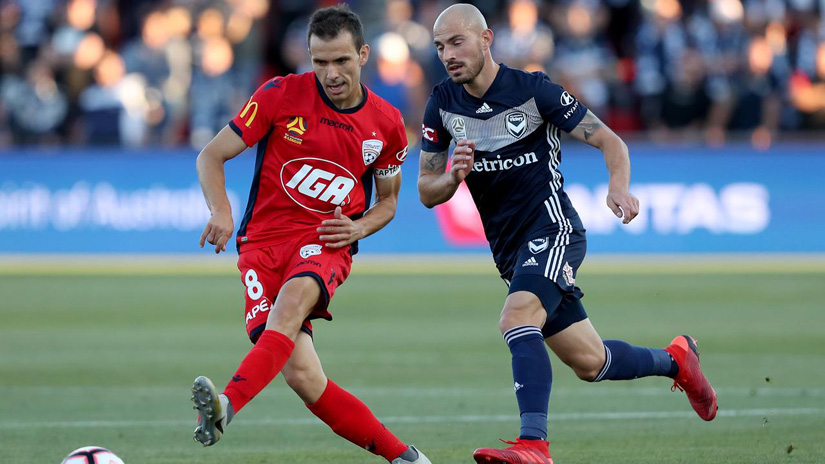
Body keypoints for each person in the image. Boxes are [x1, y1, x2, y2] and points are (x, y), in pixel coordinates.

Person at [417, 5, 718, 464]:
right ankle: (678, 360)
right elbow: (426, 190)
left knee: (517, 319)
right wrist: (453, 177)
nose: (447, 55)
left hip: (553, 228)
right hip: (509, 249)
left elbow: (609, 140)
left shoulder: (534, 90)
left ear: (486, 38)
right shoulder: (442, 102)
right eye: (440, 47)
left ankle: (534, 445)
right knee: (591, 362)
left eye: (456, 42)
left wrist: (618, 186)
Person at [191, 6, 429, 464]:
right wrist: (220, 208)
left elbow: (388, 202)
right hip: (260, 246)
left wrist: (358, 227)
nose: (330, 73)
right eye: (319, 62)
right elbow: (210, 155)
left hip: (324, 240)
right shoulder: (280, 95)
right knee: (303, 376)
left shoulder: (387, 125)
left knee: (289, 308)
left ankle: (226, 406)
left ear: (363, 54)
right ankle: (408, 458)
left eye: (341, 61)